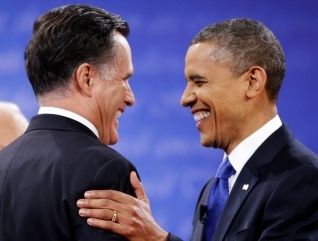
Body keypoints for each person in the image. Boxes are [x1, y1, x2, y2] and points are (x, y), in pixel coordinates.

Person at [76, 18, 318, 241]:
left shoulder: (302, 179)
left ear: (252, 82)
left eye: (199, 82)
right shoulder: (214, 188)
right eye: (187, 83)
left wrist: (158, 238)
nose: (185, 98)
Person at [0, 4, 144, 241]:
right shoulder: (105, 170)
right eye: (124, 80)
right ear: (86, 78)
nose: (130, 97)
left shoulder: (3, 164)